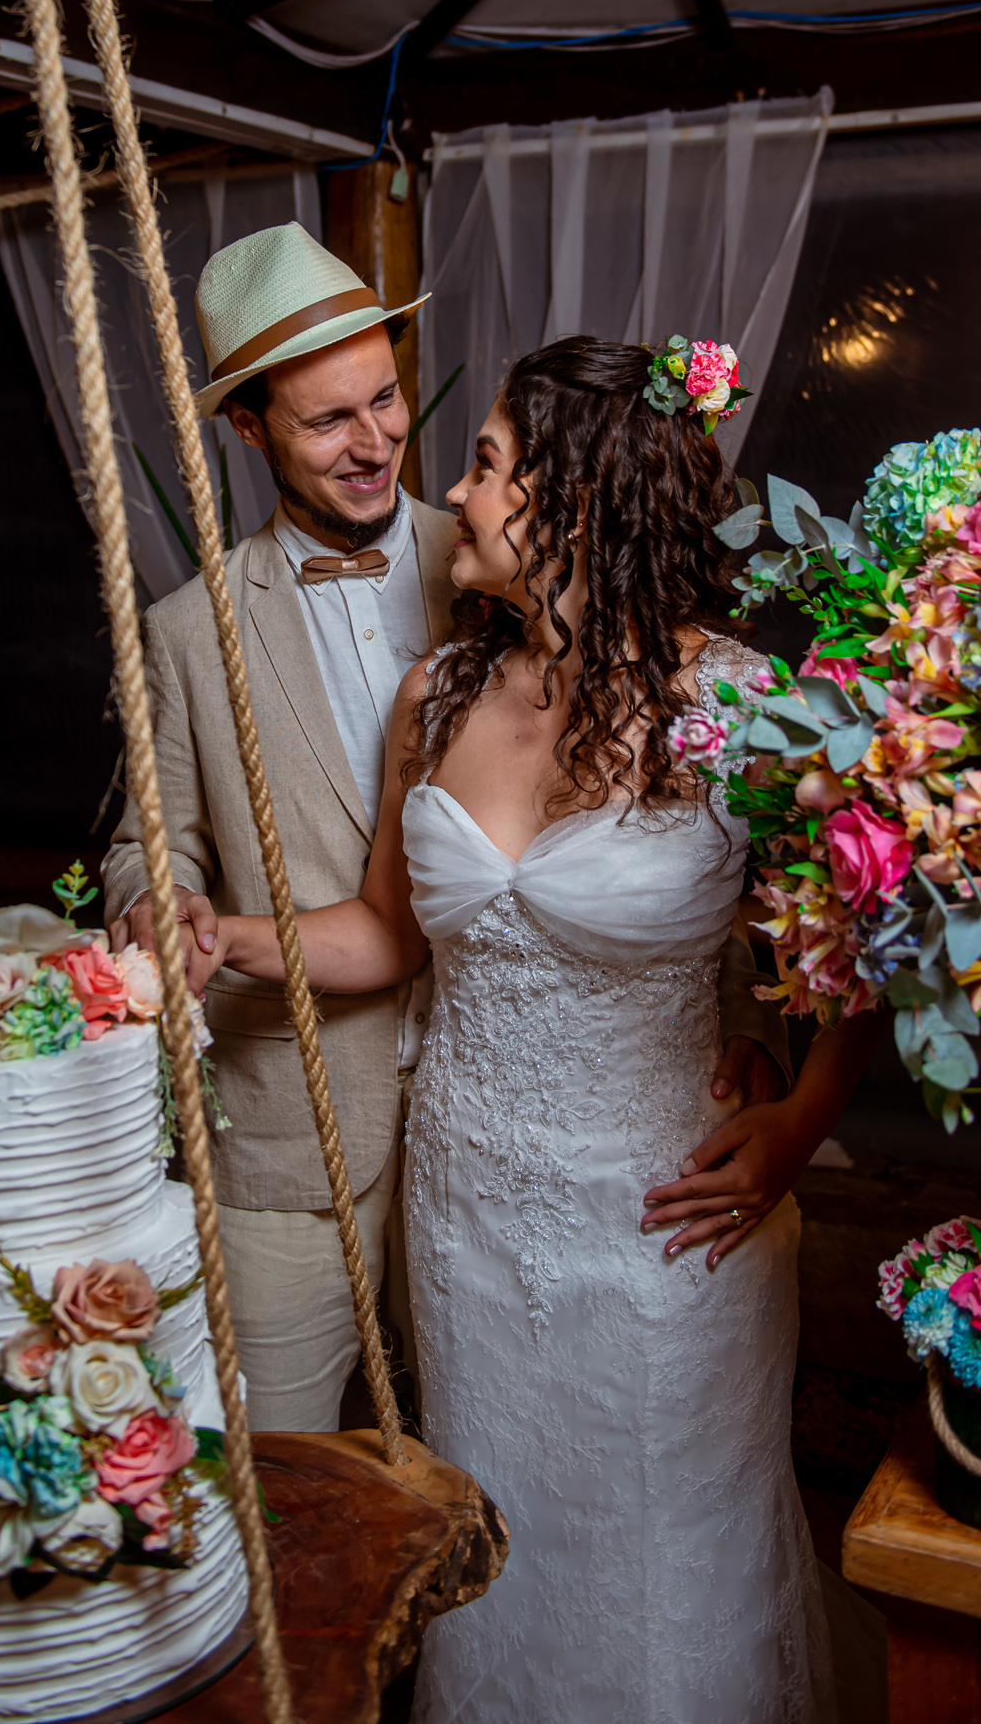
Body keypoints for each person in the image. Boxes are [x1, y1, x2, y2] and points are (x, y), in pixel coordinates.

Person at [191, 335, 883, 1721]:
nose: (459, 485)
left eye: (491, 461)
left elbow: (864, 947)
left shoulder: (744, 712)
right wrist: (225, 942)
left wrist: (797, 1123)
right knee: (497, 1559)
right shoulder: (437, 696)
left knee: (663, 1570)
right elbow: (386, 933)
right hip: (467, 1216)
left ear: (570, 503)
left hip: (664, 1220)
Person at [102, 226, 791, 1438]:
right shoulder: (185, 632)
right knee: (284, 1496)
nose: (377, 445)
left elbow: (727, 880)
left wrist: (759, 1050)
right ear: (251, 430)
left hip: (589, 1146)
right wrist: (164, 911)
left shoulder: (497, 554)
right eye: (328, 422)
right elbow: (148, 843)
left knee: (508, 1476)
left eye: (388, 401)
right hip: (300, 1137)